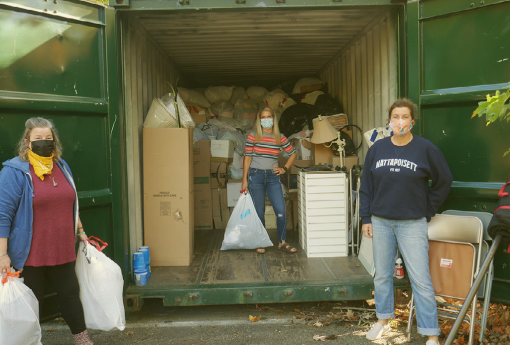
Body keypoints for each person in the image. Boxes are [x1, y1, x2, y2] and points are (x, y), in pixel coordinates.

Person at [360, 99, 453, 345]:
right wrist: (365, 217)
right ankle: (382, 320)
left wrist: (427, 210)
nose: (400, 121)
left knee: (420, 279)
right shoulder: (377, 149)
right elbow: (366, 186)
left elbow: (444, 180)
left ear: (412, 121)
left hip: (412, 223)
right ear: (389, 121)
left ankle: (430, 333)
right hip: (380, 221)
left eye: (404, 117)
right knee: (382, 275)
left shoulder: (426, 149)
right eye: (395, 117)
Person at [0, 118, 94, 345]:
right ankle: (28, 342)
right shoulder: (14, 171)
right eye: (38, 139)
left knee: (70, 295)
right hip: (30, 252)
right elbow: (3, 215)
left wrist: (81, 231)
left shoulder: (61, 166)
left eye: (48, 139)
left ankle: (82, 340)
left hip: (62, 248)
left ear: (55, 142)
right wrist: (3, 254)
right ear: (27, 142)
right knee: (33, 302)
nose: (44, 143)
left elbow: (72, 202)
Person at [242, 107, 298, 253]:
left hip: (273, 177)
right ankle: (261, 241)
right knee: (259, 211)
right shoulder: (253, 136)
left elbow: (293, 153)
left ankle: (282, 242)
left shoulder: (280, 137)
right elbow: (247, 158)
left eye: (269, 117)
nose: (266, 120)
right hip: (256, 176)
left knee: (280, 210)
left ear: (273, 118)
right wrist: (244, 180)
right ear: (259, 120)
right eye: (263, 117)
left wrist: (284, 169)